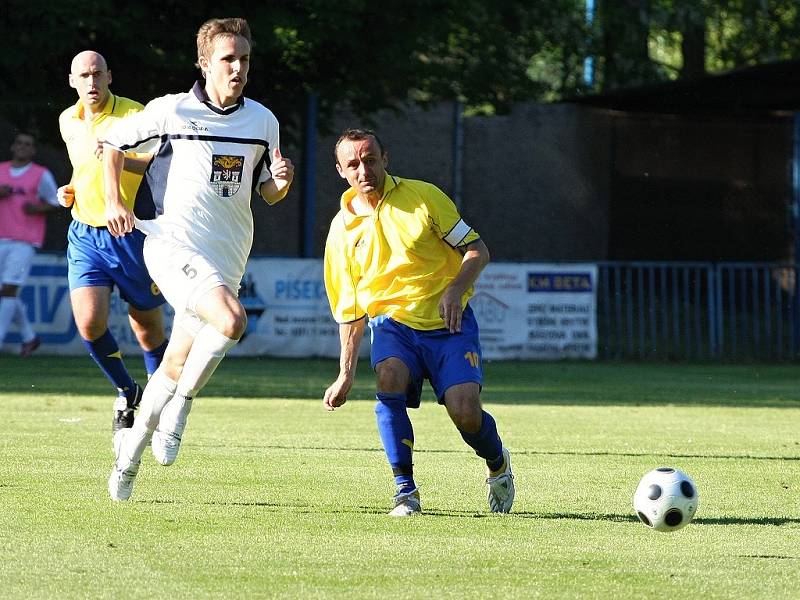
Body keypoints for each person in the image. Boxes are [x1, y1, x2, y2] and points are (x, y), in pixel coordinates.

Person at [104, 17, 294, 501]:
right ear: (205, 63)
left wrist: (282, 181)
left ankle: (128, 457)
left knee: (172, 364)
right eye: (229, 58)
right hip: (170, 245)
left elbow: (266, 193)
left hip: (227, 258)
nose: (239, 68)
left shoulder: (263, 121)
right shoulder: (171, 110)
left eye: (245, 59)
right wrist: (114, 202)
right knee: (231, 321)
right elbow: (111, 146)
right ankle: (182, 410)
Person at [322, 129, 515, 516]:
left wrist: (454, 288)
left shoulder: (424, 198)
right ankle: (405, 491)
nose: (365, 169)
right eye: (354, 164)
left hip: (449, 326)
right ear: (341, 171)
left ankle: (498, 464)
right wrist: (344, 373)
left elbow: (477, 249)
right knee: (388, 377)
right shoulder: (341, 232)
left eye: (371, 159)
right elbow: (351, 309)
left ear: (385, 159)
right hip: (393, 325)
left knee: (465, 413)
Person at [58, 51, 168, 435]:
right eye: (83, 76)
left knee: (148, 330)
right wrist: (69, 189)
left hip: (132, 235)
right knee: (89, 324)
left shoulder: (135, 115)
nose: (91, 82)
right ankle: (126, 389)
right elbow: (83, 167)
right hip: (85, 234)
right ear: (72, 80)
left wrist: (119, 157)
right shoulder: (68, 120)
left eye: (97, 74)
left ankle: (159, 405)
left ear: (109, 76)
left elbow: (159, 163)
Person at [0, 132, 62, 355]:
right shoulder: (1, 170)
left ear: (33, 150)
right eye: (19, 143)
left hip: (25, 240)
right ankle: (30, 337)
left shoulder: (40, 174)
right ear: (13, 147)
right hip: (1, 237)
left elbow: (56, 202)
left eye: (28, 144)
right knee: (6, 291)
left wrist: (37, 208)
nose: (22, 147)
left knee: (8, 289)